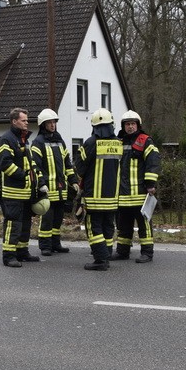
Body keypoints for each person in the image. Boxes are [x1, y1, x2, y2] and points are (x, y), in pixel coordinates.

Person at [0, 108, 46, 268]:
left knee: (25, 224)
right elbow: (5, 164)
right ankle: (9, 256)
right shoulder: (7, 139)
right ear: (14, 121)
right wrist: (23, 175)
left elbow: (31, 164)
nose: (27, 123)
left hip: (26, 192)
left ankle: (22, 252)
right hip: (13, 192)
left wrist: (39, 182)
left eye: (27, 120)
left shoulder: (24, 140)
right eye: (24, 120)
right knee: (13, 224)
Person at [74, 108, 121, 271]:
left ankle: (100, 260)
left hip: (94, 196)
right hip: (113, 197)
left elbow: (80, 168)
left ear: (94, 126)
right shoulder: (118, 143)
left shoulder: (91, 142)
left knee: (94, 228)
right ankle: (106, 255)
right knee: (108, 226)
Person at [112, 110, 161, 263]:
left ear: (138, 125)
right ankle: (122, 251)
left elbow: (153, 162)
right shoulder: (118, 142)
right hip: (123, 195)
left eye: (133, 124)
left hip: (141, 193)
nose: (130, 127)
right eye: (127, 124)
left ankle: (147, 253)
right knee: (123, 225)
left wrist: (151, 184)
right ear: (123, 126)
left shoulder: (145, 140)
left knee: (144, 225)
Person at [31, 108, 79, 256]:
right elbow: (35, 167)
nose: (52, 125)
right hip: (47, 189)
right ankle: (45, 246)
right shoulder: (38, 143)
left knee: (58, 219)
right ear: (43, 125)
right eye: (49, 123)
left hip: (61, 189)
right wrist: (41, 184)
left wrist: (73, 180)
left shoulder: (60, 141)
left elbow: (67, 164)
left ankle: (55, 243)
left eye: (54, 122)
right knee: (47, 219)